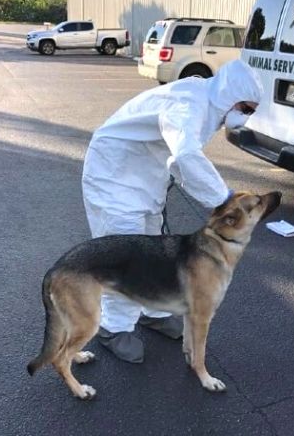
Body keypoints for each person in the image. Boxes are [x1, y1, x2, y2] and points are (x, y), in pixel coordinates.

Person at [81, 59, 263, 363]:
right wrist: (224, 198)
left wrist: (214, 195)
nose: (245, 116)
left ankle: (151, 311)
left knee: (152, 251)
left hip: (141, 177)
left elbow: (179, 158)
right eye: (245, 108)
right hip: (112, 176)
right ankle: (113, 328)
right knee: (125, 256)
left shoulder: (204, 102)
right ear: (231, 96)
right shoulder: (190, 104)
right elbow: (186, 154)